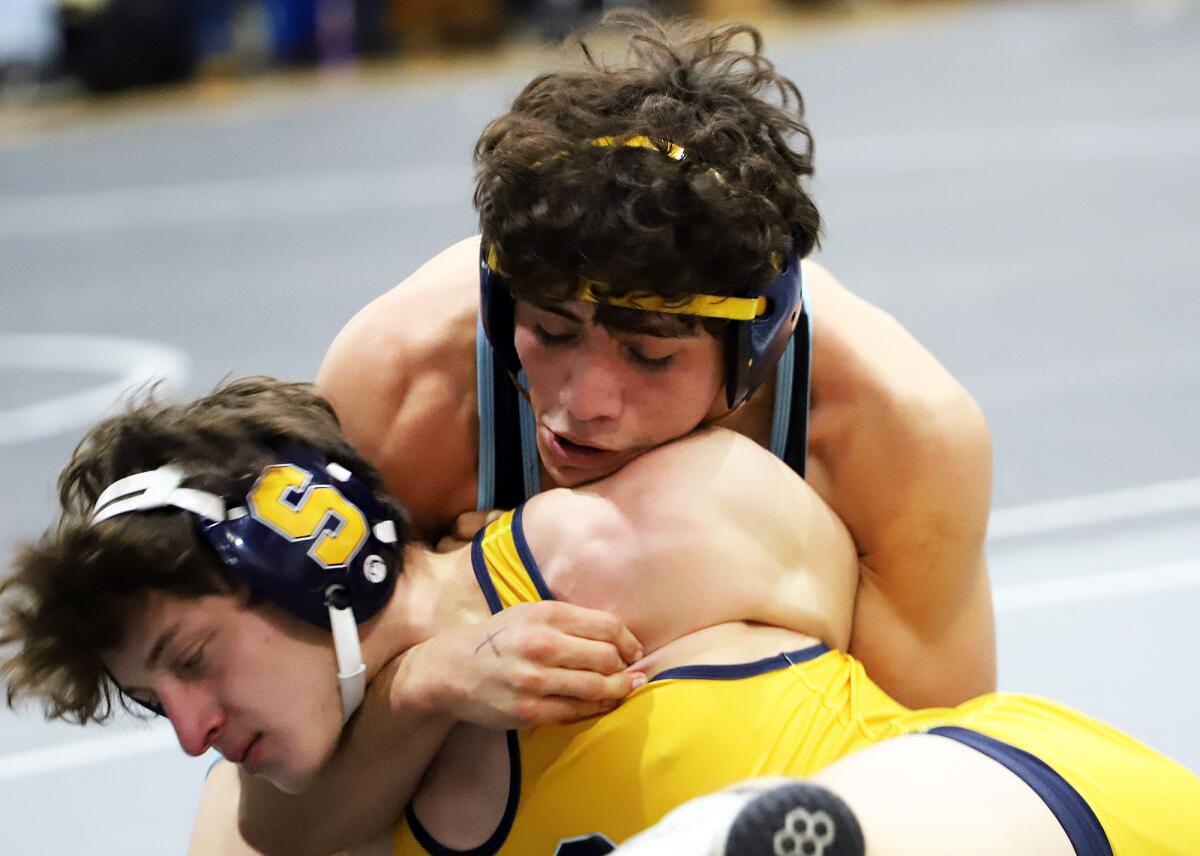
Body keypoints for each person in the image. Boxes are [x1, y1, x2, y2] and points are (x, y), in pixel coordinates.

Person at [232, 14, 994, 849]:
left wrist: (700, 587)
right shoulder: (404, 383)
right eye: (551, 334)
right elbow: (287, 815)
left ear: (755, 348)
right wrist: (426, 670)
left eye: (649, 356)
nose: (583, 400)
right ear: (498, 303)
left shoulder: (898, 429)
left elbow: (936, 781)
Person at [4, 379, 1197, 856]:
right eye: (158, 700)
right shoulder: (294, 800)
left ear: (307, 543)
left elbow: (911, 460)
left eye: (193, 661)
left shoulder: (611, 541)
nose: (191, 732)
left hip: (1029, 807)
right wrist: (422, 688)